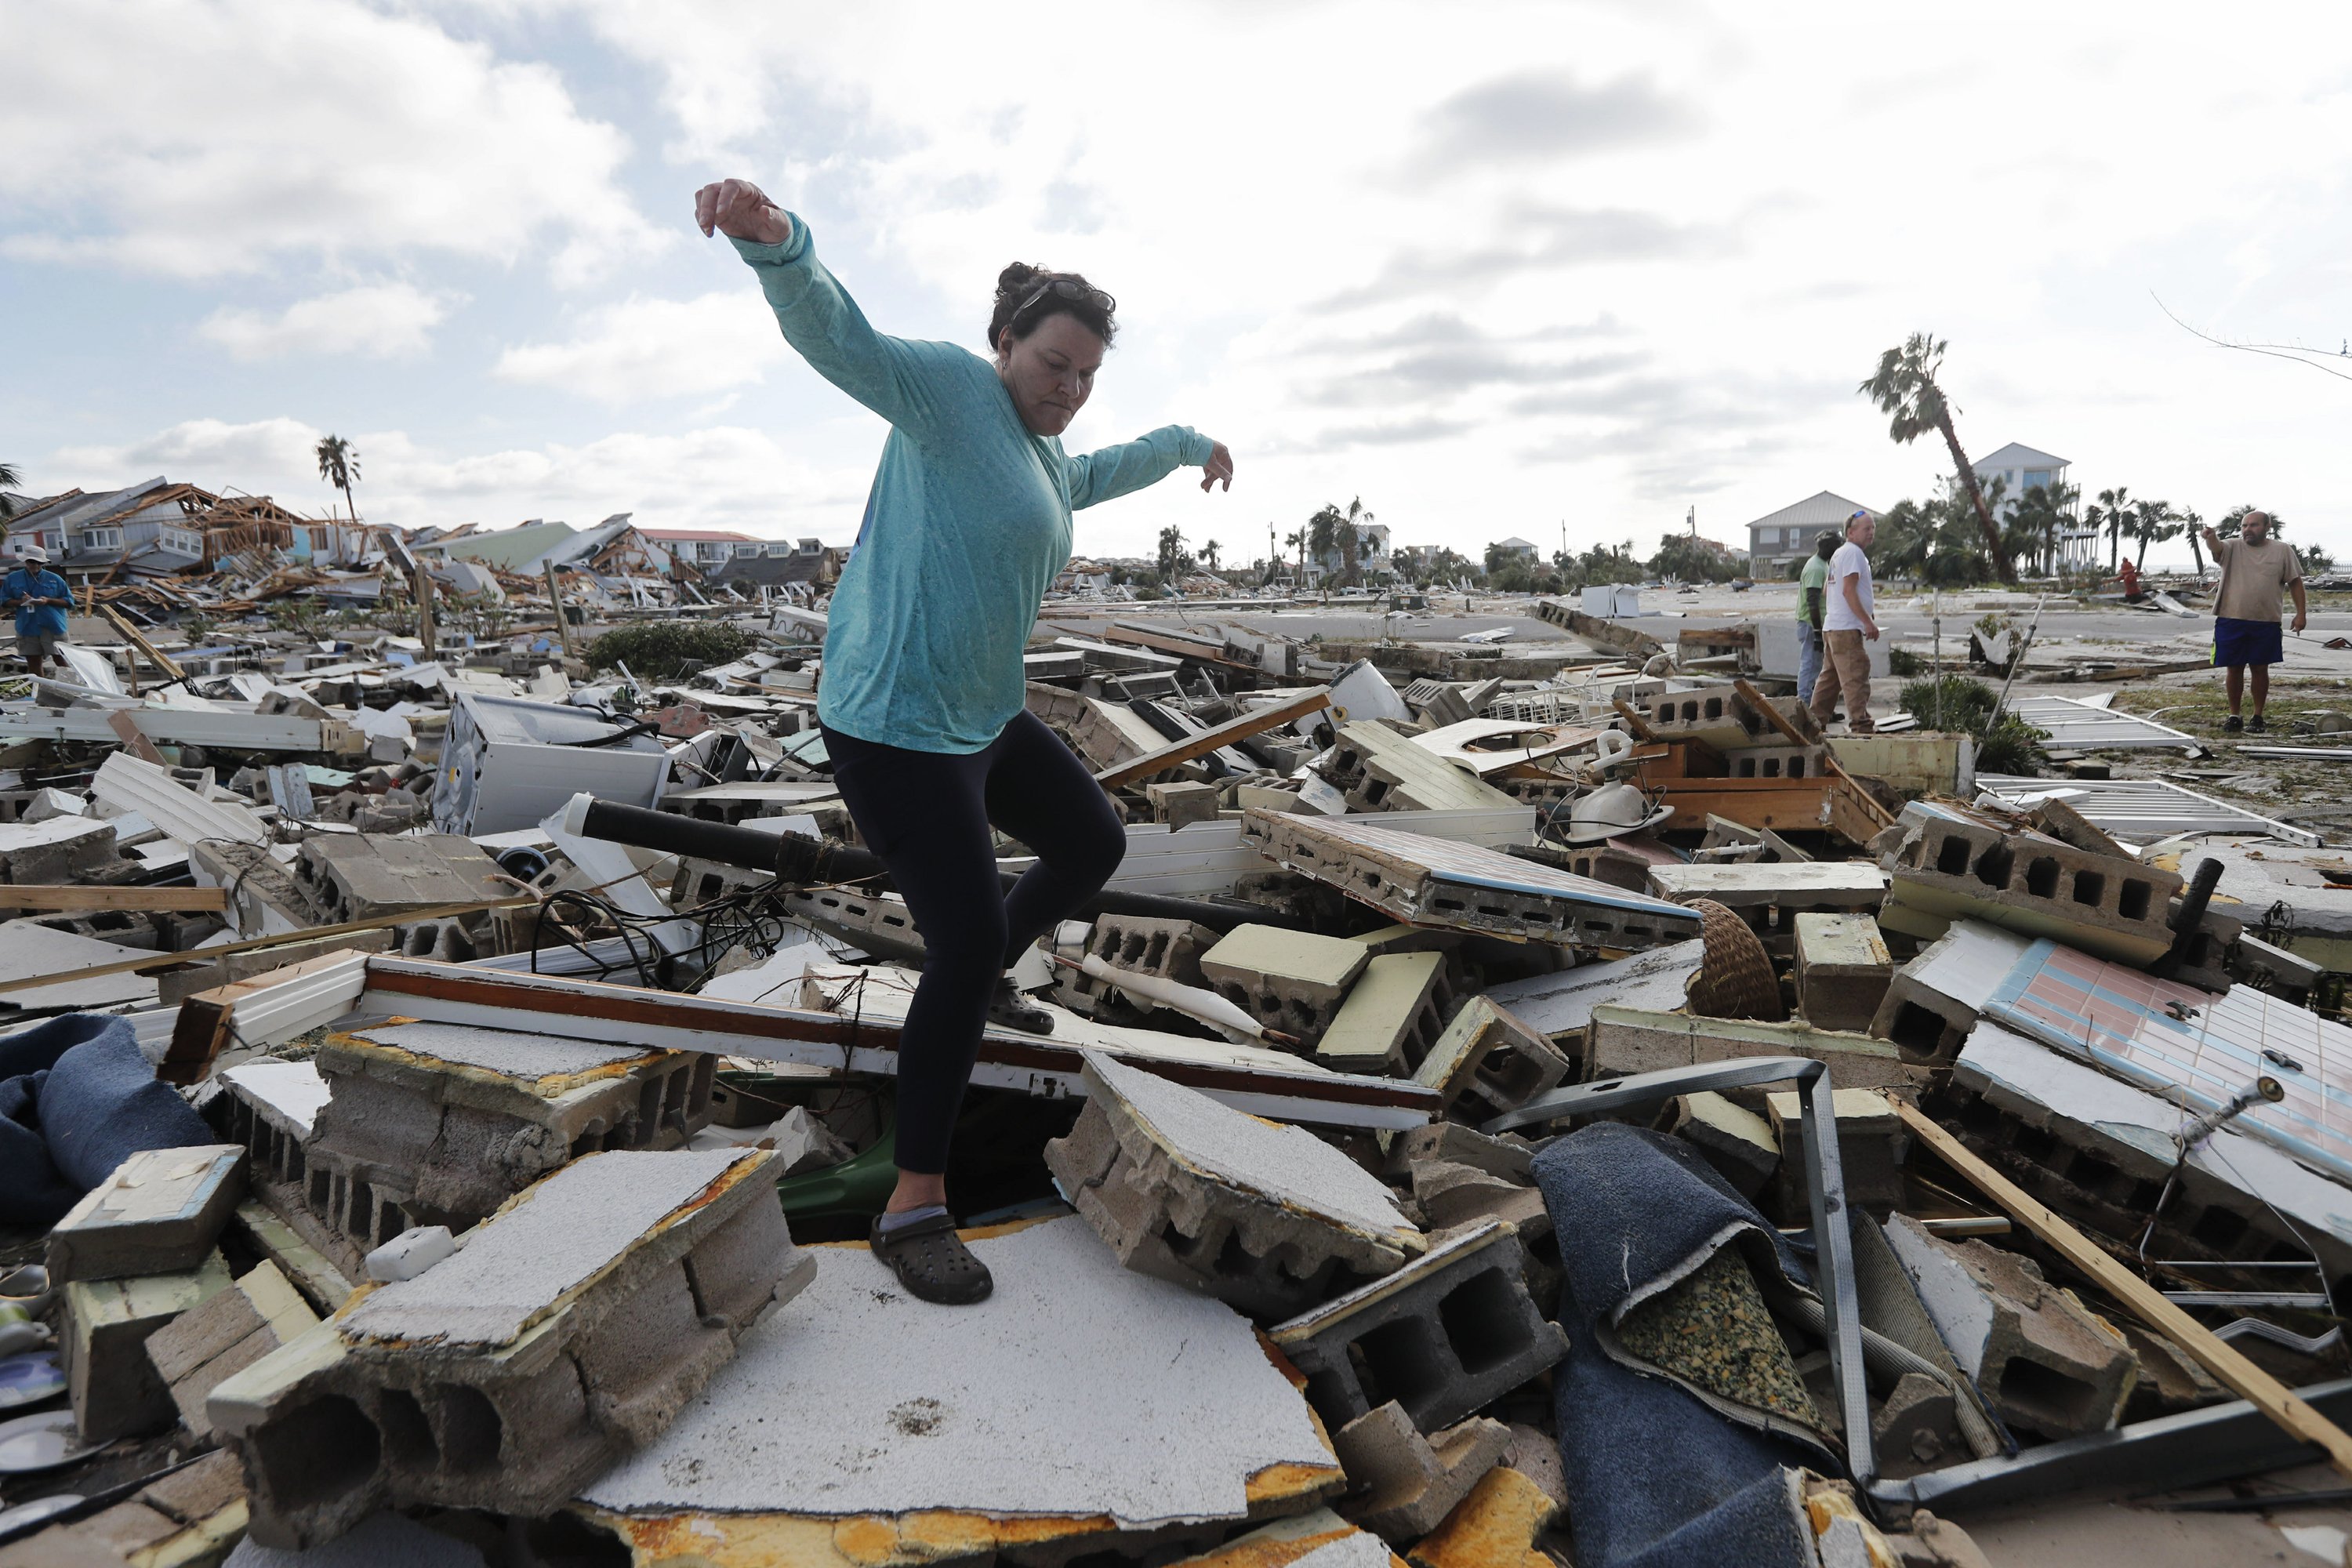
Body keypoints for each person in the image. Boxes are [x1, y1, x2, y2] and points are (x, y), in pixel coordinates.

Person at [697, 176, 1233, 1305]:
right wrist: (779, 245)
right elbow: (843, 339)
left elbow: (1101, 471)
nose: (1071, 390)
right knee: (964, 934)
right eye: (1054, 365)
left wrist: (1190, 442)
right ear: (1003, 345)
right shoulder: (945, 391)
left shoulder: (1048, 460)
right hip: (893, 724)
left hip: (981, 715)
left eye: (1088, 374)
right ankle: (917, 1204)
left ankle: (983, 978)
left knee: (1091, 845)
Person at [2200, 510, 2307, 734]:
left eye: (2254, 525)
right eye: (2244, 526)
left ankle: (2258, 716)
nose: (2248, 530)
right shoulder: (2232, 547)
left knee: (2260, 668)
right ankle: (2234, 715)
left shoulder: (2282, 550)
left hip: (2266, 620)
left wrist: (2301, 614)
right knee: (2234, 668)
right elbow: (2217, 548)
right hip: (2231, 618)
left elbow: (2295, 582)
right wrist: (2210, 538)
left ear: (2268, 527)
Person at [1808, 510, 1880, 735]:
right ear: (1851, 532)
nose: (1871, 533)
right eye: (1866, 529)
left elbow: (1828, 590)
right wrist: (1867, 622)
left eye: (1873, 528)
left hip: (1834, 627)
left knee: (1829, 680)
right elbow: (1848, 591)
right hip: (1846, 629)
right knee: (1855, 676)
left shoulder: (1839, 554)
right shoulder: (1853, 553)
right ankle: (1861, 726)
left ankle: (1811, 725)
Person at [1, 546, 71, 677]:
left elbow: (69, 602)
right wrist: (21, 602)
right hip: (28, 626)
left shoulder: (55, 579)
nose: (36, 565)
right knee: (34, 663)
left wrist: (48, 600)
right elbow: (4, 601)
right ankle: (39, 693)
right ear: (26, 561)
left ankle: (75, 690)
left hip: (53, 626)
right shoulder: (13, 578)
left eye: (40, 563)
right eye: (33, 562)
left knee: (60, 660)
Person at [1795, 530, 1838, 702]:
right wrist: (1817, 632)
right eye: (1835, 547)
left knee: (1817, 666)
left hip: (1816, 623)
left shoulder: (1823, 564)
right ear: (1827, 547)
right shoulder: (1815, 567)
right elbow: (1812, 601)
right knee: (1809, 663)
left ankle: (1816, 703)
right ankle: (1805, 703)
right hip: (1810, 624)